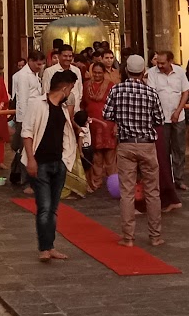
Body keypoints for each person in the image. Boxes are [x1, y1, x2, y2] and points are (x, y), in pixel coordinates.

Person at [104, 54, 166, 247]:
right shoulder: (151, 92)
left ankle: (128, 237)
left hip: (126, 144)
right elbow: (160, 119)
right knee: (152, 191)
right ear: (143, 71)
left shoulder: (116, 90)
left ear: (126, 70)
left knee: (127, 192)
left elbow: (107, 114)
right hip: (147, 144)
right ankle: (155, 236)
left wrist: (122, 119)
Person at [25, 68, 82, 262]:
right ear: (65, 88)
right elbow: (27, 133)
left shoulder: (63, 109)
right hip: (40, 162)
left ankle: (50, 246)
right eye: (71, 88)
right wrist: (31, 159)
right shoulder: (37, 104)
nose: (71, 92)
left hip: (59, 162)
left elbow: (65, 134)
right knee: (44, 206)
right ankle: (44, 248)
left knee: (54, 208)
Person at [148, 51, 189, 191]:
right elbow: (152, 94)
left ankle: (179, 178)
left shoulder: (179, 72)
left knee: (179, 148)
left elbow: (185, 92)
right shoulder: (152, 73)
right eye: (158, 63)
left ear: (170, 61)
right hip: (160, 119)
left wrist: (178, 111)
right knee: (163, 150)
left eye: (163, 63)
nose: (159, 66)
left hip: (178, 116)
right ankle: (166, 180)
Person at [9, 51, 46, 189]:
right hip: (26, 117)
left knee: (27, 148)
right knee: (25, 149)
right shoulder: (23, 76)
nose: (40, 67)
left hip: (35, 114)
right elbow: (23, 100)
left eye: (42, 64)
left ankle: (18, 175)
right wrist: (25, 122)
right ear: (30, 61)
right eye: (38, 64)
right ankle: (25, 180)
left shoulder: (35, 74)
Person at [84, 59, 118, 191]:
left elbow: (116, 106)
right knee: (96, 156)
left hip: (108, 124)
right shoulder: (86, 85)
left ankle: (113, 185)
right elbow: (83, 104)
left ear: (104, 73)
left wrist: (116, 125)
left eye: (100, 73)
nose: (97, 75)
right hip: (93, 124)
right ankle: (96, 183)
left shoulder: (111, 86)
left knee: (110, 156)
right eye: (95, 72)